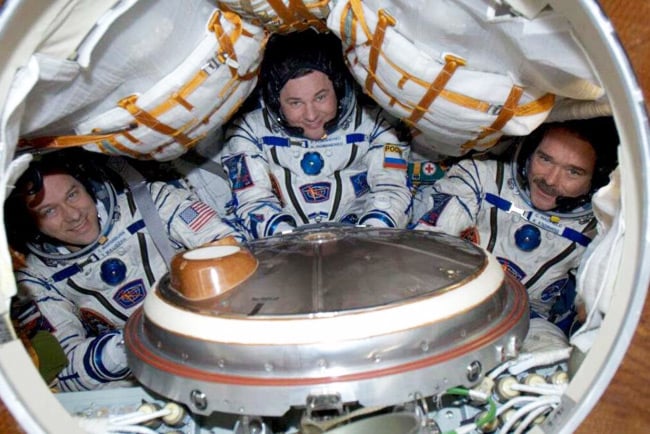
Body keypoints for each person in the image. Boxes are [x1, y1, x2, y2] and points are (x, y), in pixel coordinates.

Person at [6, 149, 242, 391]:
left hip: (212, 342)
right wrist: (130, 342)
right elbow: (64, 370)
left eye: (73, 194)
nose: (73, 215)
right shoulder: (36, 279)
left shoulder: (151, 202)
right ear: (29, 222)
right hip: (139, 377)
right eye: (49, 211)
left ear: (88, 185)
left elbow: (231, 253)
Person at [411, 117, 619, 335]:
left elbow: (594, 306)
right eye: (545, 159)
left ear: (596, 178)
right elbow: (428, 243)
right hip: (454, 297)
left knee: (549, 347)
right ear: (529, 151)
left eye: (573, 172)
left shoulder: (599, 232)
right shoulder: (481, 178)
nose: (550, 180)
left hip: (531, 324)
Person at [217, 29, 412, 239]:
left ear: (337, 88)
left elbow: (392, 190)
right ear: (276, 101)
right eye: (295, 103)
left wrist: (369, 237)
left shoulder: (376, 123)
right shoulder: (249, 130)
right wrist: (286, 239)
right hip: (283, 249)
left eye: (320, 97)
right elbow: (253, 201)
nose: (311, 115)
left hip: (363, 245)